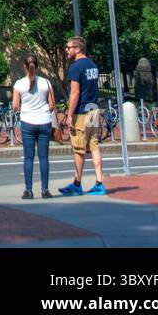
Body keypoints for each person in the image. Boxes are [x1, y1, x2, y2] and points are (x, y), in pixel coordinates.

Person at [59, 35, 106, 195]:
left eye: (69, 47)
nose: (67, 50)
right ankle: (99, 182)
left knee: (79, 148)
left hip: (82, 112)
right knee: (93, 145)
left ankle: (77, 183)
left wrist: (69, 114)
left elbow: (75, 92)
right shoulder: (92, 65)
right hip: (94, 109)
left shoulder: (76, 67)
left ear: (77, 49)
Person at [12, 53, 55, 199]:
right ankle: (45, 190)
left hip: (28, 122)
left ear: (25, 66)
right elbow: (52, 104)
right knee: (44, 157)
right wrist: (43, 110)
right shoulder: (46, 82)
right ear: (38, 66)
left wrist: (25, 108)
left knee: (28, 158)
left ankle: (28, 190)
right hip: (44, 121)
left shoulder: (19, 84)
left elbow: (15, 106)